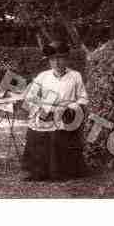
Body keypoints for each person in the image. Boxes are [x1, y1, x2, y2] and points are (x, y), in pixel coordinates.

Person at [22, 40, 89, 181]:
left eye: (60, 59)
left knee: (58, 134)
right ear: (49, 61)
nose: (57, 63)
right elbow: (30, 96)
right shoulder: (43, 76)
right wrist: (42, 106)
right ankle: (37, 171)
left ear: (66, 59)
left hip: (66, 117)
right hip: (45, 114)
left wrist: (70, 108)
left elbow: (83, 99)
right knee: (35, 133)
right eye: (53, 60)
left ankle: (59, 172)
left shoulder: (75, 76)